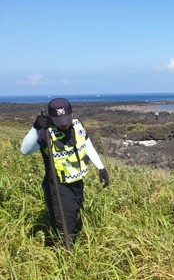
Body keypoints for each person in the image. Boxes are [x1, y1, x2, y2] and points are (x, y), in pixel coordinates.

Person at [20, 98, 109, 247]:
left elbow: (87, 144)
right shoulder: (46, 132)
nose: (64, 124)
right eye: (59, 120)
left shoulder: (77, 125)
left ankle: (72, 249)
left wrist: (101, 168)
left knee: (76, 218)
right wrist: (35, 128)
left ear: (71, 113)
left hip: (76, 183)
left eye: (66, 119)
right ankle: (62, 255)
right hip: (57, 186)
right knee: (64, 225)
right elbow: (25, 150)